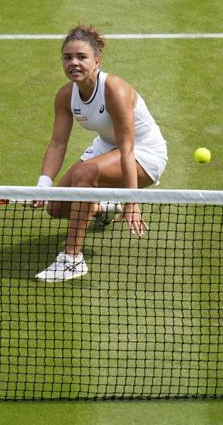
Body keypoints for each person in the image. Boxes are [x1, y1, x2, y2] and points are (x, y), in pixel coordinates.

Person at [35, 24, 167, 282]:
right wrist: (43, 185)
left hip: (144, 153)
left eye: (81, 57)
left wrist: (132, 202)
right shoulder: (65, 96)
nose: (73, 62)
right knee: (56, 207)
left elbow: (127, 149)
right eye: (67, 57)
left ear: (96, 61)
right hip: (107, 148)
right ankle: (101, 207)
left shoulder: (114, 90)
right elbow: (57, 144)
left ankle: (72, 259)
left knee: (84, 174)